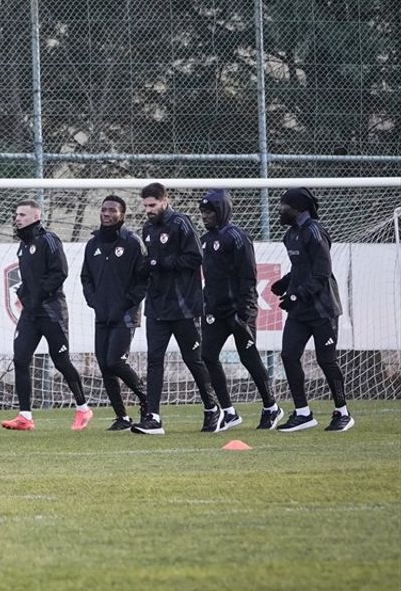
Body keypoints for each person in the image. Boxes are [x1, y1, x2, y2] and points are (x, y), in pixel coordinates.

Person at [134, 183, 220, 435]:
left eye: (153, 205)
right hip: (157, 307)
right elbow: (151, 263)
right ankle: (153, 417)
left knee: (193, 360)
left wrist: (161, 262)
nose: (149, 210)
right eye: (146, 206)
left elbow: (196, 258)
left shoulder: (181, 224)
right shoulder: (148, 228)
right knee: (154, 361)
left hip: (184, 307)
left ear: (165, 201)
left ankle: (211, 408)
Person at [2, 200, 92, 432]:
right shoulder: (23, 245)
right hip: (31, 314)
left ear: (35, 216)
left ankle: (83, 408)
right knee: (20, 358)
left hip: (52, 312)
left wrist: (38, 296)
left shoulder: (49, 240)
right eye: (16, 214)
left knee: (61, 360)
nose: (18, 218)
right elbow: (27, 279)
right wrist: (23, 295)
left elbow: (59, 272)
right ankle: (25, 416)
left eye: (22, 214)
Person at [199, 189, 283, 431]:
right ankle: (229, 412)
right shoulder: (204, 240)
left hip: (238, 310)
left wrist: (244, 311)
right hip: (216, 311)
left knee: (248, 356)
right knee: (207, 356)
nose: (205, 216)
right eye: (203, 212)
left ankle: (271, 406)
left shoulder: (237, 237)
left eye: (210, 211)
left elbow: (248, 276)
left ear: (222, 210)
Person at [272, 188, 352, 432]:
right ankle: (303, 413)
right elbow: (301, 268)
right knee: (288, 355)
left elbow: (321, 273)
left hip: (322, 309)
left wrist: (296, 294)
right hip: (300, 311)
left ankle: (343, 412)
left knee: (325, 361)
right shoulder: (291, 235)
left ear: (297, 208)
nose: (279, 209)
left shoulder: (315, 233)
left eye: (283, 205)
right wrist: (285, 283)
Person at [80, 195, 150, 431]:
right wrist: (94, 301)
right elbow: (85, 277)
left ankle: (147, 399)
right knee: (104, 364)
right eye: (104, 210)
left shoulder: (132, 242)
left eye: (112, 210)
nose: (106, 214)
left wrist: (127, 303)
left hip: (125, 315)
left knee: (115, 361)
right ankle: (122, 416)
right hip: (102, 315)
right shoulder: (93, 244)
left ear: (122, 215)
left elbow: (144, 280)